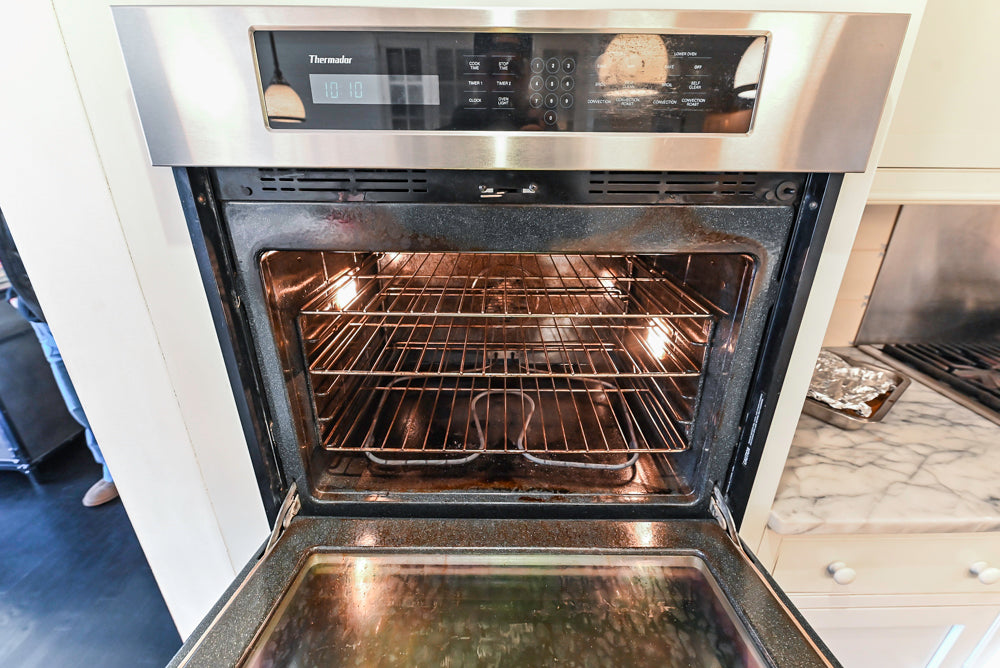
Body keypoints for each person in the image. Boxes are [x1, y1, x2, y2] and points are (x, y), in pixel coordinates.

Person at [0, 208, 117, 506]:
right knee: (77, 403)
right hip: (39, 312)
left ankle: (146, 467)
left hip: (80, 296)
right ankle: (113, 470)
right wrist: (16, 294)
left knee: (114, 384)